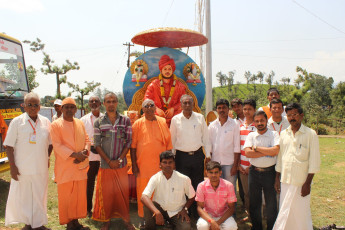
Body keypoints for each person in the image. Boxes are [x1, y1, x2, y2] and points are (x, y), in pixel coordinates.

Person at [4, 92, 52, 230]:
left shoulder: (45, 122)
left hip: (41, 167)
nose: (32, 107)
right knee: (26, 197)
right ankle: (28, 224)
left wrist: (47, 157)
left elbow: (50, 143)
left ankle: (39, 224)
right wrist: (12, 166)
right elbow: (9, 146)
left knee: (39, 195)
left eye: (35, 104)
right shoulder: (17, 122)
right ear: (24, 106)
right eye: (29, 104)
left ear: (40, 106)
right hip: (22, 168)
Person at [273, 103, 321, 230]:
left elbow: (314, 161)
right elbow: (280, 158)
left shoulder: (310, 134)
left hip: (301, 182)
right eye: (289, 115)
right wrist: (277, 178)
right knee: (285, 211)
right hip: (285, 181)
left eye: (294, 114)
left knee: (301, 213)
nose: (291, 118)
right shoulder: (284, 134)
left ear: (301, 116)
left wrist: (307, 184)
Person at [92, 92, 134, 230]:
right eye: (108, 101)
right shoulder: (99, 122)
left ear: (117, 103)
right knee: (107, 194)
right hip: (106, 165)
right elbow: (97, 144)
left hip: (121, 165)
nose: (111, 104)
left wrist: (120, 159)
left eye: (113, 101)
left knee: (122, 193)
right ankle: (106, 220)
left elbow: (128, 142)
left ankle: (126, 220)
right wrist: (109, 161)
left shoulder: (125, 120)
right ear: (104, 103)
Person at [50, 97, 90, 230]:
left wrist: (84, 152)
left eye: (71, 107)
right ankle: (69, 224)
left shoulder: (80, 123)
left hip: (80, 165)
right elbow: (57, 145)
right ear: (61, 109)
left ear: (76, 110)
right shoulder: (55, 124)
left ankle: (76, 222)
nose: (69, 109)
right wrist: (75, 155)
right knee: (66, 196)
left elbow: (87, 139)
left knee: (78, 196)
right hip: (65, 167)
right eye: (66, 107)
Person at [130, 99, 173, 224]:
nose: (149, 108)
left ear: (155, 108)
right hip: (143, 165)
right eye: (146, 106)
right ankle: (144, 217)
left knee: (161, 191)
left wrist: (170, 164)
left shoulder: (162, 121)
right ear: (142, 110)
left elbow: (168, 144)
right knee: (143, 191)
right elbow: (132, 147)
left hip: (161, 166)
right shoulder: (137, 124)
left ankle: (162, 216)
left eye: (151, 105)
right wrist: (134, 165)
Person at [170, 94, 211, 217]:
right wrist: (172, 159)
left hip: (197, 156)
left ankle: (197, 212)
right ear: (181, 105)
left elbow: (206, 138)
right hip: (181, 157)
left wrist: (208, 155)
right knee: (183, 185)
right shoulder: (175, 119)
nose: (187, 105)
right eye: (185, 103)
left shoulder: (200, 118)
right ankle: (184, 212)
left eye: (189, 103)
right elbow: (172, 141)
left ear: (193, 104)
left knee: (197, 184)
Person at [244, 110, 280, 230]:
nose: (259, 123)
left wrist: (256, 148)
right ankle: (257, 227)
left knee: (271, 204)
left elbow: (275, 151)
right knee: (254, 203)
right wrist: (267, 152)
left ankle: (271, 227)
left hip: (270, 173)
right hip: (254, 173)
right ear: (254, 122)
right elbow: (248, 153)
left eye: (262, 120)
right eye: (257, 121)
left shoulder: (274, 134)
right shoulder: (251, 135)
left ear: (266, 121)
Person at [141, 151, 195, 230]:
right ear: (160, 164)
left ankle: (170, 225)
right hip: (160, 211)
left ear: (174, 164)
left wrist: (185, 209)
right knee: (147, 205)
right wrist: (157, 212)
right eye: (164, 162)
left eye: (170, 162)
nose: (167, 165)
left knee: (185, 228)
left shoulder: (184, 179)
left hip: (177, 212)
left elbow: (192, 196)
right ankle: (150, 228)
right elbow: (143, 197)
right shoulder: (155, 178)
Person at [144, 55, 186, 126]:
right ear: (161, 70)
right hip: (157, 115)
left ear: (172, 70)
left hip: (174, 116)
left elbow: (184, 101)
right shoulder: (154, 84)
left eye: (169, 69)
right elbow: (146, 100)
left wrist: (173, 108)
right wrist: (156, 109)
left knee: (182, 111)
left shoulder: (179, 86)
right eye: (165, 69)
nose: (167, 71)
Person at [208, 99, 240, 191]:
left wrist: (235, 165)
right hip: (215, 162)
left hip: (230, 163)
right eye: (219, 108)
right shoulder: (212, 125)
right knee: (216, 188)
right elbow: (209, 145)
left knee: (230, 188)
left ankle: (231, 206)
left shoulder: (235, 124)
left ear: (228, 109)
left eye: (224, 108)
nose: (222, 110)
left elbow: (237, 146)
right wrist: (210, 163)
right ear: (216, 110)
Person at [196, 161, 238, 230]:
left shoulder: (228, 185)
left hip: (224, 215)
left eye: (216, 172)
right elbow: (199, 208)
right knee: (202, 226)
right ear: (206, 172)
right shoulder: (201, 186)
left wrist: (217, 223)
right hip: (208, 215)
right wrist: (211, 221)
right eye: (211, 172)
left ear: (220, 173)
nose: (213, 175)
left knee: (232, 227)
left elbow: (232, 208)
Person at [80, 95, 103, 217]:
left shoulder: (106, 118)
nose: (94, 103)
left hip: (104, 156)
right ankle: (88, 209)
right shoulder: (83, 120)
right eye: (91, 101)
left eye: (96, 101)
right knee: (89, 184)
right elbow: (81, 138)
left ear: (101, 103)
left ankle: (103, 210)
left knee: (104, 185)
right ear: (88, 104)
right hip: (90, 157)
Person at [238, 99, 257, 220]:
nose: (247, 111)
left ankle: (257, 215)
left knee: (255, 193)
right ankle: (249, 214)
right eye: (245, 109)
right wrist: (239, 165)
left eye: (249, 109)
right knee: (246, 193)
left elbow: (259, 148)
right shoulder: (239, 127)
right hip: (242, 167)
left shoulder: (258, 126)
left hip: (254, 167)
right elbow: (237, 147)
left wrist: (251, 166)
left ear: (254, 110)